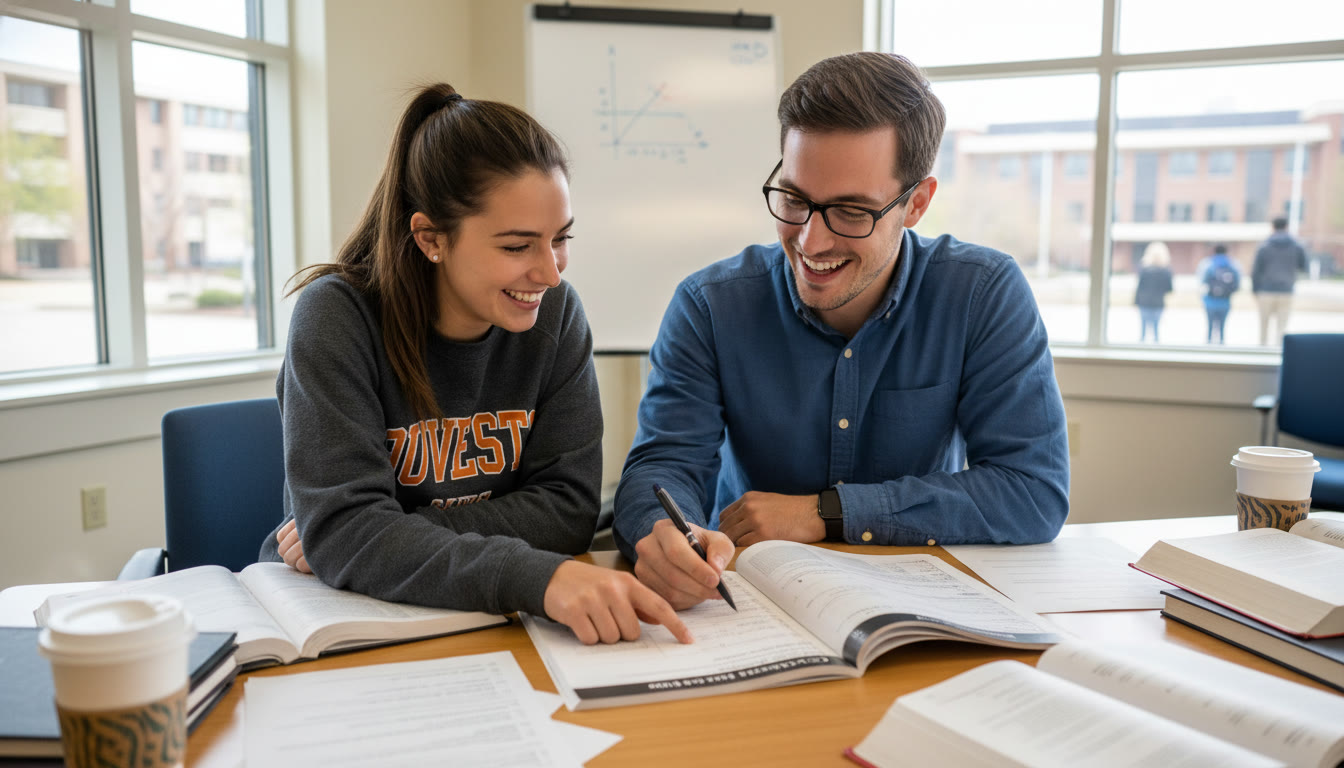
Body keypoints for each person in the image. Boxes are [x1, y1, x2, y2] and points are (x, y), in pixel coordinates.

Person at [611, 53, 1069, 610]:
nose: (810, 241)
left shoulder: (981, 293)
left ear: (917, 204)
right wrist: (658, 534)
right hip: (750, 601)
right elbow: (664, 467)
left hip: (921, 606)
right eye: (795, 200)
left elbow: (1033, 492)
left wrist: (827, 512)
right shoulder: (709, 306)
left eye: (851, 212)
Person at [256, 84, 689, 646]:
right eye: (517, 247)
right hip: (345, 619)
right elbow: (346, 534)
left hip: (485, 623)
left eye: (561, 239)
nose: (550, 273)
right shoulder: (337, 317)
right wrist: (532, 573)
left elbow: (568, 510)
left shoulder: (556, 313)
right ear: (431, 238)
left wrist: (382, 534)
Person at [1252, 216, 1308, 346]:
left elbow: (1256, 271)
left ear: (1273, 227)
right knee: (1282, 327)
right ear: (1286, 226)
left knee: (1263, 326)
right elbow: (1303, 266)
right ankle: (1279, 354)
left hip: (1265, 291)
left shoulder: (1264, 246)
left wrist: (1255, 290)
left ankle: (1262, 351)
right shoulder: (1297, 246)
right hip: (1286, 290)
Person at [1133, 241, 1173, 344]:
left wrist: (1135, 301)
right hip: (1158, 303)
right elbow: (1169, 289)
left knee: (1143, 332)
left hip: (1144, 302)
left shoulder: (1144, 269)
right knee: (1156, 331)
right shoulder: (1166, 271)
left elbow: (1139, 287)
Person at [1200, 244, 1240, 345]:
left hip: (1210, 302)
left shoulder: (1208, 264)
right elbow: (1237, 285)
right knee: (1222, 328)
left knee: (1210, 327)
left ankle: (1208, 346)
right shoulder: (1233, 265)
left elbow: (1203, 282)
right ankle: (1221, 346)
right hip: (1225, 301)